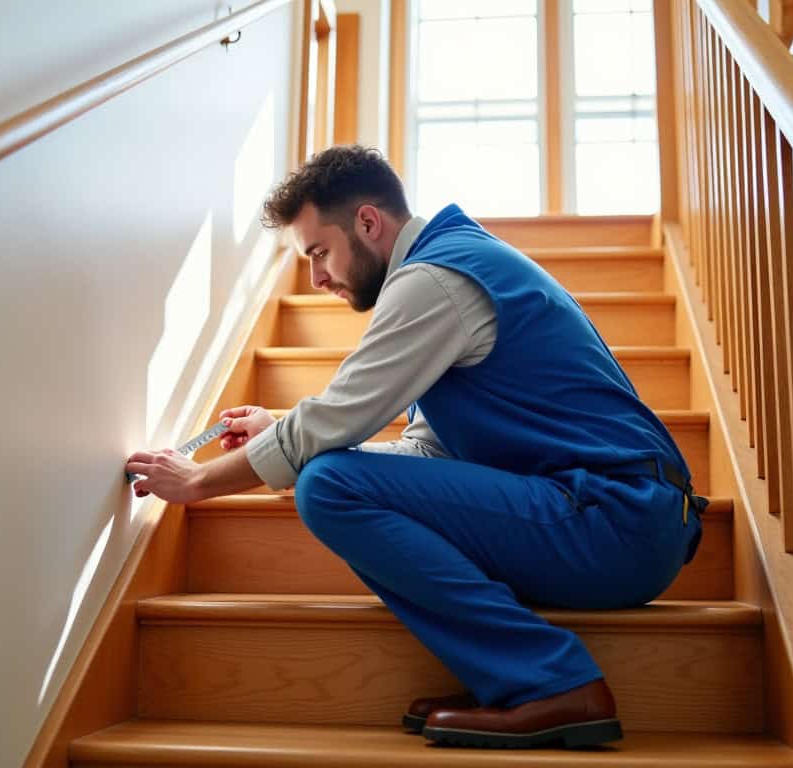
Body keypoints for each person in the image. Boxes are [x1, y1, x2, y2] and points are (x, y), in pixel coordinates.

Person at [125, 145, 705, 749]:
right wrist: (281, 429)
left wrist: (199, 481)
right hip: (619, 519)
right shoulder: (458, 264)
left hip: (615, 519)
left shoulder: (435, 280)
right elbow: (425, 457)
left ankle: (551, 682)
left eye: (319, 252)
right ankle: (510, 677)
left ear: (368, 223)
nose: (318, 277)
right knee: (329, 476)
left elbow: (334, 425)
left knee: (326, 485)